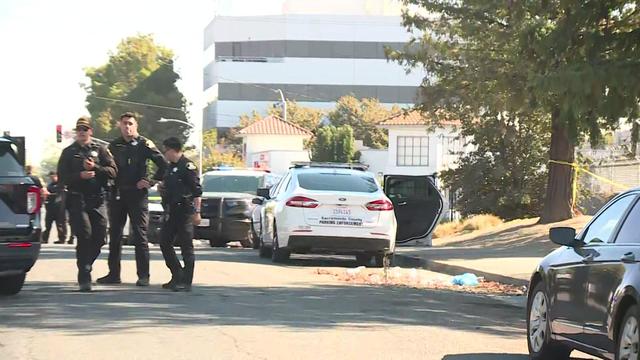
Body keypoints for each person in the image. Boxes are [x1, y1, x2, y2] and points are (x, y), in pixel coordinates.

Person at [97, 112, 167, 286]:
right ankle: (113, 274)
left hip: (137, 195)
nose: (127, 127)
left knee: (140, 235)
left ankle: (143, 276)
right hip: (118, 194)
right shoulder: (114, 145)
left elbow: (163, 164)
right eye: (124, 124)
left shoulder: (144, 144)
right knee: (115, 234)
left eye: (130, 124)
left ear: (136, 126)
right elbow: (106, 168)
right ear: (119, 126)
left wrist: (150, 181)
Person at [57, 117, 117, 292]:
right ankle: (84, 276)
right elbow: (62, 178)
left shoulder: (101, 150)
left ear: (91, 131)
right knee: (84, 235)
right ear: (77, 132)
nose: (82, 132)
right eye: (79, 130)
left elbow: (113, 172)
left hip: (98, 199)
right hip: (77, 199)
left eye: (85, 129)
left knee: (99, 237)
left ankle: (86, 264)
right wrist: (79, 175)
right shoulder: (69, 152)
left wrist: (96, 168)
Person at [159, 137, 202, 292]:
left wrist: (197, 212)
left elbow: (197, 192)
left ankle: (186, 280)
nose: (165, 154)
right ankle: (176, 273)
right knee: (164, 242)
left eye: (165, 151)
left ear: (172, 150)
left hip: (185, 211)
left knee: (186, 246)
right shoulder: (171, 167)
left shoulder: (187, 166)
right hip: (172, 211)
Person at [42, 171, 67, 244]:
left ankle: (62, 239)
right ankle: (45, 238)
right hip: (50, 207)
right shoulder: (50, 185)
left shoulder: (61, 184)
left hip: (59, 207)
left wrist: (50, 194)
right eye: (50, 177)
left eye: (52, 176)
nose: (51, 178)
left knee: (60, 224)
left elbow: (61, 194)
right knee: (48, 224)